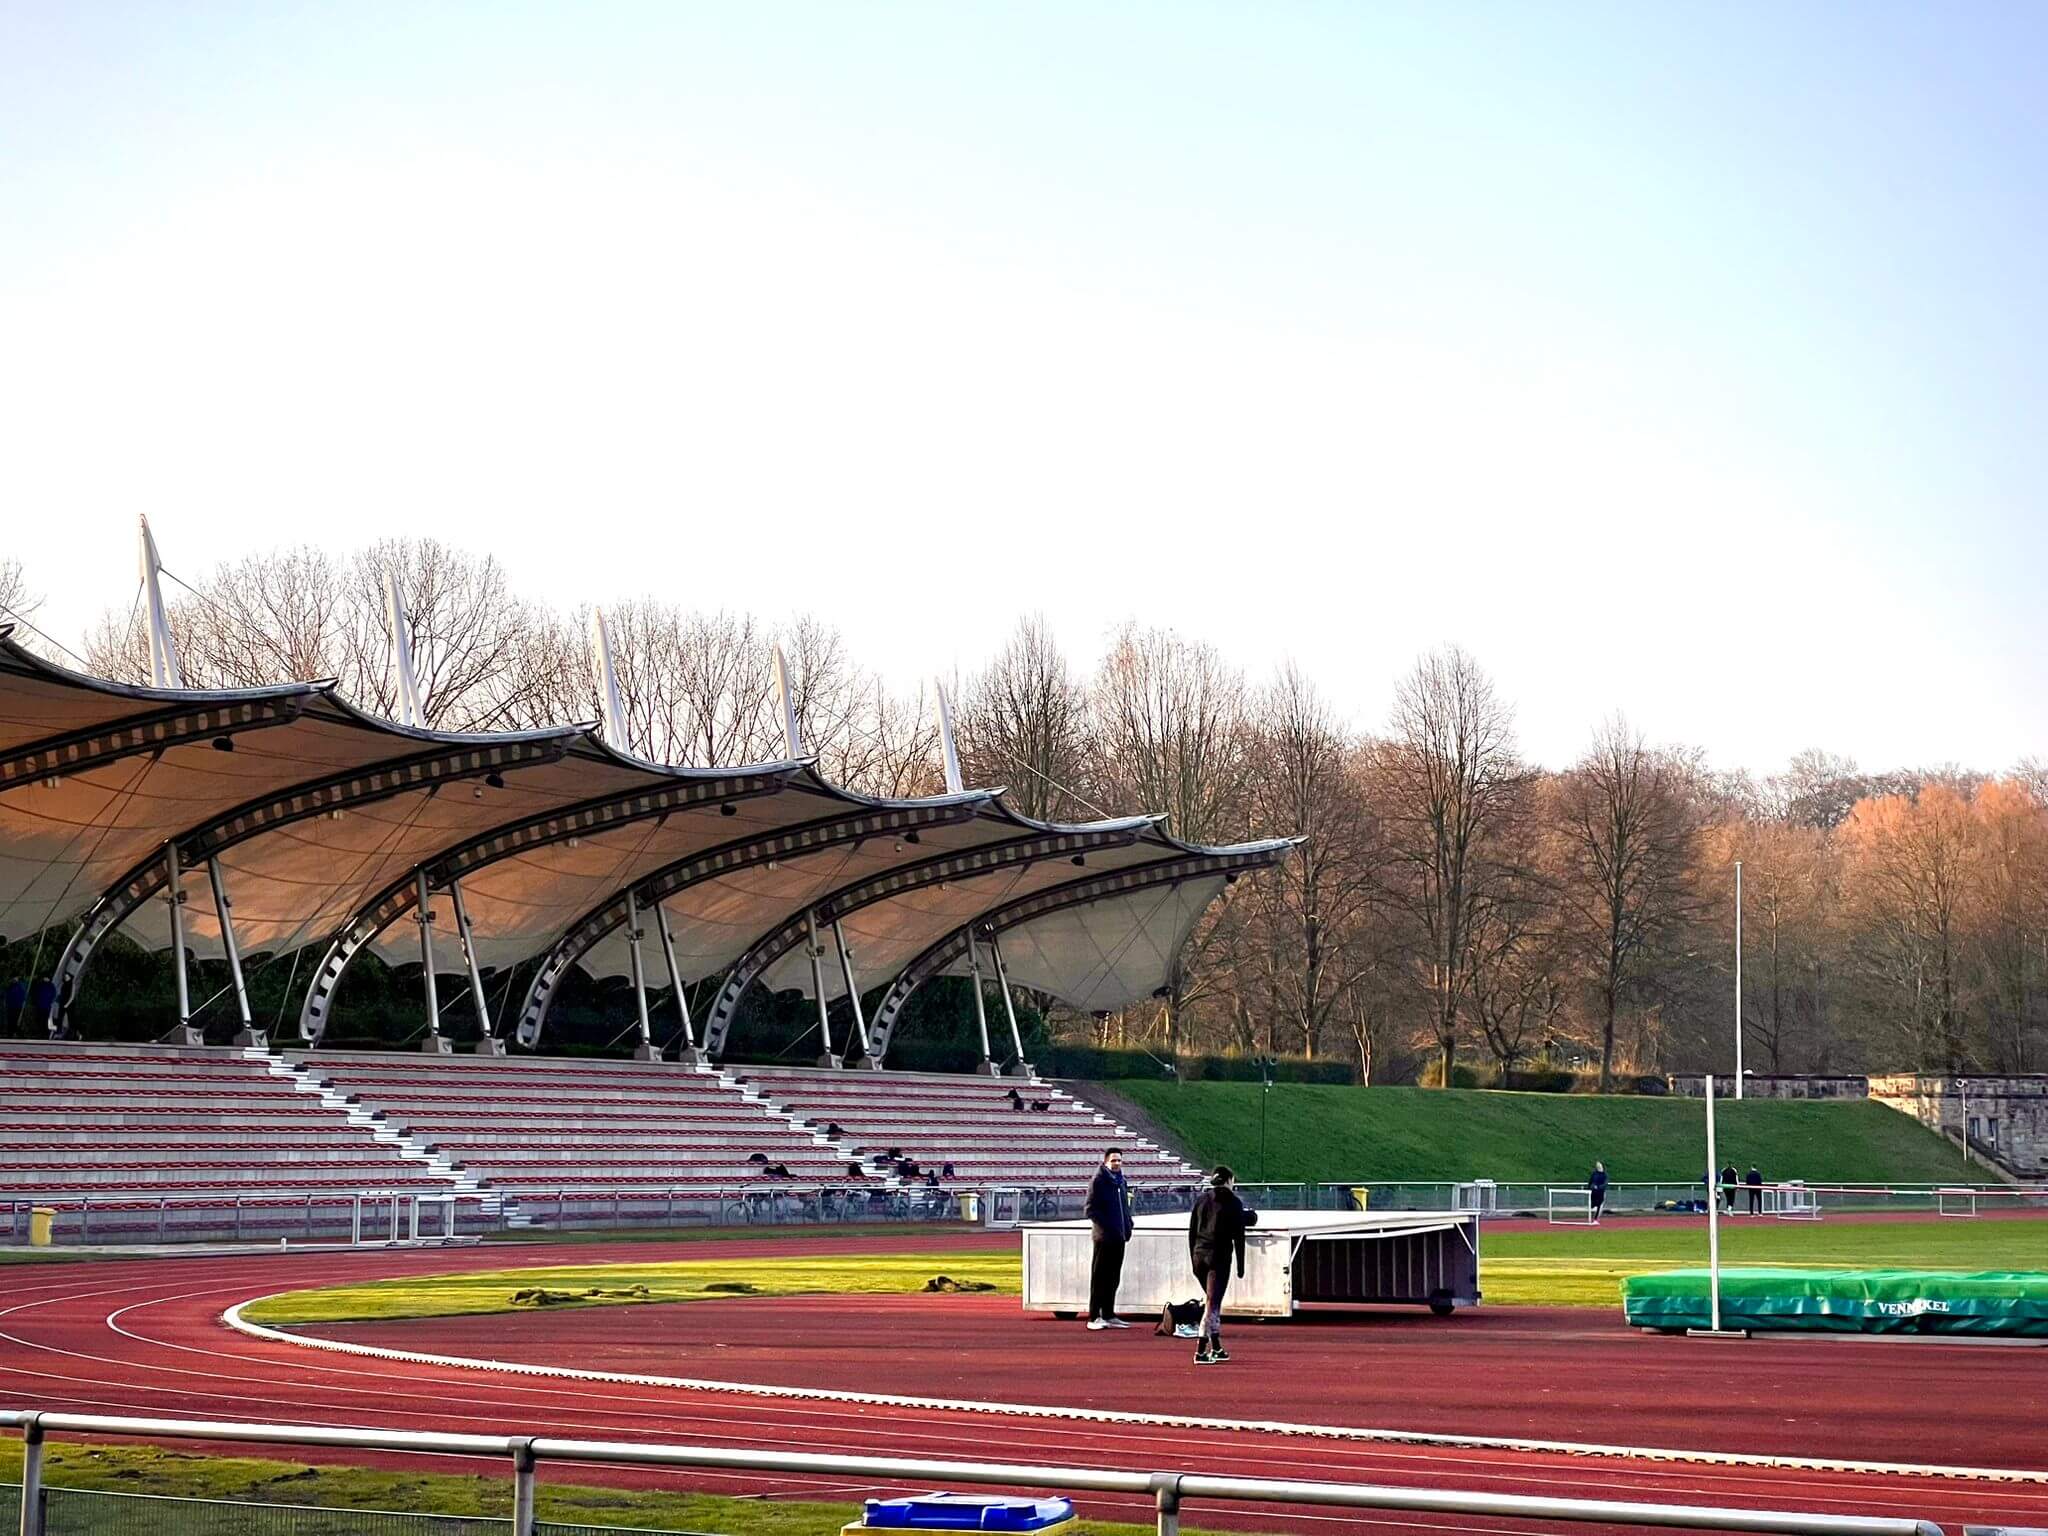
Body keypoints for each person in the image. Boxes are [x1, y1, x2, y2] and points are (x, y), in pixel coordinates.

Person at [1188, 1164, 1257, 1364]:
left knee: (1214, 1302)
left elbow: (1192, 1231)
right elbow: (1239, 1236)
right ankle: (1200, 1350)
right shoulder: (1233, 1203)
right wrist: (1241, 1266)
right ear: (1229, 1181)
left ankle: (1216, 1346)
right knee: (1211, 1303)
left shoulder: (1201, 1200)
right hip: (1218, 1258)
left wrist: (1192, 1257)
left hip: (1199, 1255)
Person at [1084, 1148, 1134, 1329]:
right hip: (1104, 1238)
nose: (1117, 1164)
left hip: (1119, 1238)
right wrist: (1107, 1228)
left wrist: (1128, 1226)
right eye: (1114, 1160)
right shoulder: (1099, 1181)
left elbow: (1124, 1208)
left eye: (1119, 1161)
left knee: (1113, 1278)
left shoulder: (1121, 1182)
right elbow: (1090, 1209)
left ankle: (1108, 1313)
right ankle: (1094, 1316)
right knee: (1100, 1278)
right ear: (1106, 1162)